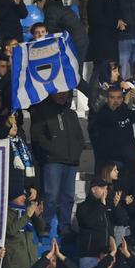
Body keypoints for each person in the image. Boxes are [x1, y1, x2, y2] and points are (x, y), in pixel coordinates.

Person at [29, 92, 86, 238]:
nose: (62, 96)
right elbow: (37, 135)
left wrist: (76, 151)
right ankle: (45, 225)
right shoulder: (44, 112)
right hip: (53, 161)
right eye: (58, 93)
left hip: (71, 161)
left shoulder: (71, 114)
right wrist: (50, 149)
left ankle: (65, 226)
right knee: (51, 195)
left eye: (65, 93)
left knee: (68, 196)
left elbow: (79, 137)